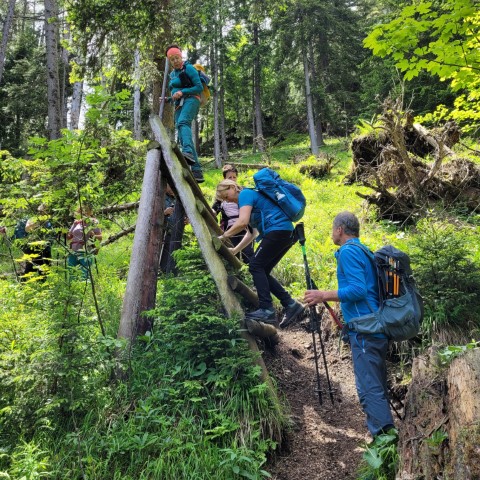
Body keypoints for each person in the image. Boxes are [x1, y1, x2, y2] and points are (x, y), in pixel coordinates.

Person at [304, 211, 395, 439]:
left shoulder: (348, 251)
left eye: (333, 229)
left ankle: (384, 445)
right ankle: (388, 440)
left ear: (340, 230)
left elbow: (357, 290)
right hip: (375, 327)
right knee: (377, 385)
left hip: (366, 329)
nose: (332, 233)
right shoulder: (363, 251)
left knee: (369, 389)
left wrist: (322, 295)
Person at [216, 179, 304, 326]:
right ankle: (290, 304)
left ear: (232, 187)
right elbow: (252, 233)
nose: (228, 200)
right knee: (263, 269)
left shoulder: (245, 194)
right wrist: (236, 250)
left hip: (277, 230)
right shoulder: (246, 200)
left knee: (255, 266)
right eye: (224, 199)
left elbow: (242, 222)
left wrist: (224, 236)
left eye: (226, 195)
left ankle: (266, 309)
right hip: (285, 232)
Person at [166, 44, 204, 183]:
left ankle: (187, 152)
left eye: (177, 57)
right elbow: (176, 90)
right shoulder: (173, 74)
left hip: (192, 99)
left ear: (180, 56)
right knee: (182, 134)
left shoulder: (189, 68)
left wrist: (183, 92)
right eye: (172, 59)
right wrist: (168, 99)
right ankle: (197, 170)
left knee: (183, 123)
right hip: (179, 104)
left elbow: (198, 87)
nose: (175, 61)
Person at [212, 165, 254, 263]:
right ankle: (238, 274)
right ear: (225, 179)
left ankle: (250, 272)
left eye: (234, 177)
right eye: (229, 177)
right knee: (232, 254)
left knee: (248, 253)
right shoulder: (221, 196)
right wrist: (213, 212)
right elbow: (214, 209)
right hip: (229, 229)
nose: (232, 179)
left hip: (245, 227)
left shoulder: (243, 191)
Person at [67, 204, 102, 280]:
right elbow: (69, 237)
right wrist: (72, 227)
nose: (83, 213)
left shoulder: (94, 222)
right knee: (72, 274)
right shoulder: (77, 222)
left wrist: (93, 235)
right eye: (80, 211)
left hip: (86, 251)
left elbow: (100, 237)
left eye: (85, 211)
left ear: (89, 212)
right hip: (73, 252)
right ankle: (73, 290)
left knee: (85, 275)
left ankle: (87, 291)